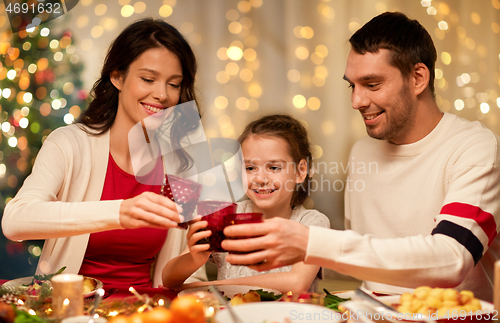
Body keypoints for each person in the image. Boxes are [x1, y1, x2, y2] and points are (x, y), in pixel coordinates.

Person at [220, 12, 500, 302]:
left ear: (418, 78)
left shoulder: (475, 148)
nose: (356, 101)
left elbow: (453, 259)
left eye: (372, 84)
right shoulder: (362, 151)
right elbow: (366, 263)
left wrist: (310, 242)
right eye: (352, 85)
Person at [2, 18, 206, 288]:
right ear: (117, 76)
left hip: (146, 312)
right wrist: (120, 212)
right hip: (71, 308)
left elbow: (189, 274)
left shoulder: (181, 164)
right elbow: (16, 221)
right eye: (148, 79)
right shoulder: (69, 144)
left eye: (174, 84)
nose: (162, 94)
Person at [162, 115, 330, 293]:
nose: (260, 179)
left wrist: (209, 287)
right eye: (250, 168)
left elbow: (297, 283)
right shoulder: (225, 216)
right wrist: (194, 258)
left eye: (274, 168)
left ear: (300, 171)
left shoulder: (312, 224)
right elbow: (168, 278)